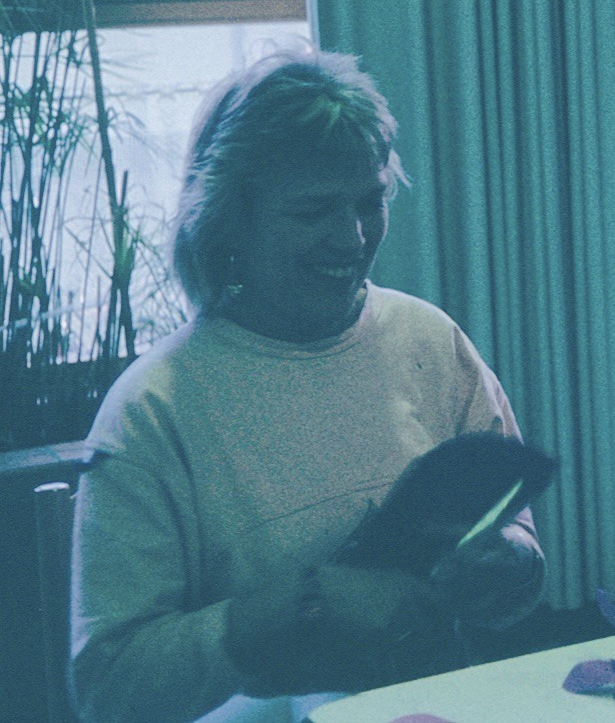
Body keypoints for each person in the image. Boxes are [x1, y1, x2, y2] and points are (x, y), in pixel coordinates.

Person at [71, 51, 545, 723]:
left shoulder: (430, 342)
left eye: (369, 200)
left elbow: (517, 554)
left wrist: (507, 563)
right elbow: (107, 690)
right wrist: (307, 602)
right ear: (229, 220)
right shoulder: (152, 412)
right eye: (315, 210)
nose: (351, 237)